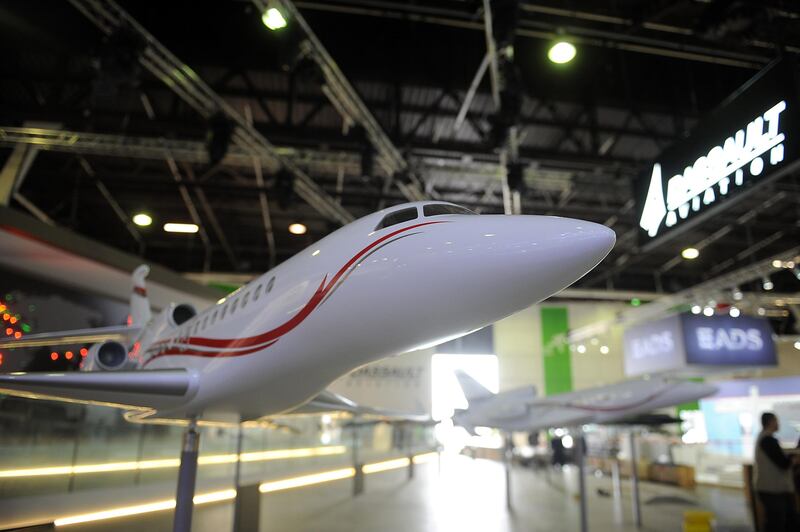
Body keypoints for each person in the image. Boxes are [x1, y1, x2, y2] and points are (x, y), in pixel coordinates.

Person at [753, 412, 799, 531]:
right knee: (776, 523)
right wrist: (793, 460)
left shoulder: (765, 438)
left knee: (788, 520)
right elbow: (783, 464)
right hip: (771, 490)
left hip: (774, 489)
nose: (778, 424)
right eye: (776, 421)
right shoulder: (768, 440)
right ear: (770, 422)